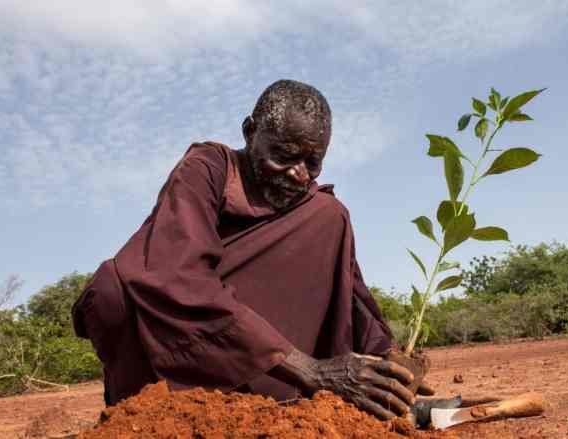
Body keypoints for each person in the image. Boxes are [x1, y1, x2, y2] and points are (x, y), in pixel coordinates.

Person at [72, 79, 433, 421]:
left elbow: (352, 293)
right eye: (284, 156)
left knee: (329, 215)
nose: (299, 175)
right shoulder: (208, 169)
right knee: (113, 287)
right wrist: (310, 370)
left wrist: (389, 364)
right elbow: (176, 275)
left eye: (313, 163)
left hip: (259, 366)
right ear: (250, 131)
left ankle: (285, 402)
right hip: (177, 350)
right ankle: (142, 409)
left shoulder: (315, 210)